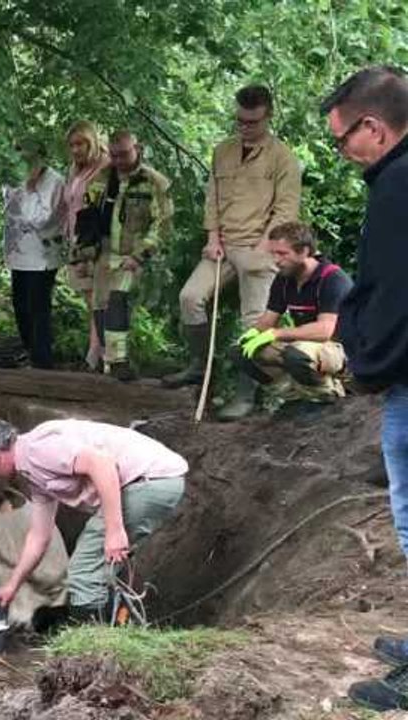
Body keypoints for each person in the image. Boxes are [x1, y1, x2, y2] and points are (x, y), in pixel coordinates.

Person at [319, 66, 408, 713]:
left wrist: (365, 362)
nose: (341, 152)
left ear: (372, 128)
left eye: (341, 138)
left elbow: (392, 295)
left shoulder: (398, 187)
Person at [0, 417, 186, 621]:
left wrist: (114, 531)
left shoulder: (37, 450)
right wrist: (12, 586)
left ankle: (94, 644)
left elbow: (102, 464)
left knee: (82, 573)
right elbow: (39, 536)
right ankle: (118, 626)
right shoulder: (32, 473)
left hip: (149, 482)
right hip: (151, 483)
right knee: (102, 570)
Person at [165, 86, 302, 395]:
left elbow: (286, 211)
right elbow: (212, 198)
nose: (244, 127)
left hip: (261, 246)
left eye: (252, 122)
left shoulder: (283, 158)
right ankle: (200, 367)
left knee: (255, 322)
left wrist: (262, 249)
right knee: (190, 298)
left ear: (268, 116)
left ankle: (247, 393)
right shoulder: (223, 150)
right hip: (222, 246)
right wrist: (212, 237)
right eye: (239, 120)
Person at [216, 222, 352, 420]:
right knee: (242, 351)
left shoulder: (331, 279)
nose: (276, 260)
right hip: (308, 346)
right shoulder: (284, 279)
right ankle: (292, 395)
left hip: (344, 349)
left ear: (304, 251)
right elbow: (269, 319)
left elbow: (325, 330)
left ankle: (324, 397)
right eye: (273, 253)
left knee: (296, 355)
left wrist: (276, 334)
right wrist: (253, 334)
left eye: (282, 253)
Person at [91, 131, 173, 381]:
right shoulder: (102, 178)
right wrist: (83, 254)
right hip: (103, 254)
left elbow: (163, 225)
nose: (118, 161)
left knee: (118, 300)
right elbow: (88, 217)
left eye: (124, 154)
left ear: (138, 148)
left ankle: (120, 362)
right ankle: (108, 362)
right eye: (113, 155)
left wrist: (140, 256)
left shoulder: (154, 181)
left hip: (133, 255)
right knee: (100, 306)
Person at [2, 140, 64, 370]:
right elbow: (8, 209)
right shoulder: (13, 176)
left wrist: (29, 187)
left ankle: (42, 359)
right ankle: (29, 350)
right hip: (18, 251)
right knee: (20, 304)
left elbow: (41, 219)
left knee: (38, 306)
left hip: (42, 255)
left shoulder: (54, 181)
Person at [61, 121, 112, 372]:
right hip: (76, 241)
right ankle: (96, 351)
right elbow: (70, 206)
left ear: (91, 142)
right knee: (90, 299)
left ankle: (100, 354)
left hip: (98, 243)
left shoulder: (106, 167)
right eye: (72, 145)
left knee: (101, 299)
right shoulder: (75, 170)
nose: (76, 150)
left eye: (80, 144)